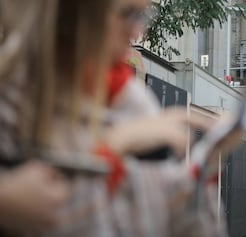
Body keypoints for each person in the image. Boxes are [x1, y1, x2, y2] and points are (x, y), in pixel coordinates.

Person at [0, 0, 232, 236]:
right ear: (74, 10)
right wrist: (112, 149)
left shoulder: (133, 100)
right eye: (128, 13)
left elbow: (172, 215)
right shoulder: (14, 95)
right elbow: (56, 219)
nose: (137, 31)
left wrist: (205, 165)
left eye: (143, 14)